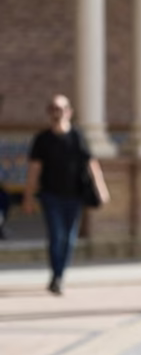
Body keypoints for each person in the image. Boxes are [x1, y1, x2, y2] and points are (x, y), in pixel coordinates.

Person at [22, 95, 110, 294]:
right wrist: (28, 197)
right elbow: (34, 170)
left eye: (61, 108)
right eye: (54, 109)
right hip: (50, 196)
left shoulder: (78, 137)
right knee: (56, 235)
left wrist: (101, 189)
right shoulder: (42, 140)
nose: (57, 113)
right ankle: (56, 275)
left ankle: (60, 274)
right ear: (49, 113)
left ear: (69, 112)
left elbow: (92, 164)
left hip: (74, 195)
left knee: (69, 238)